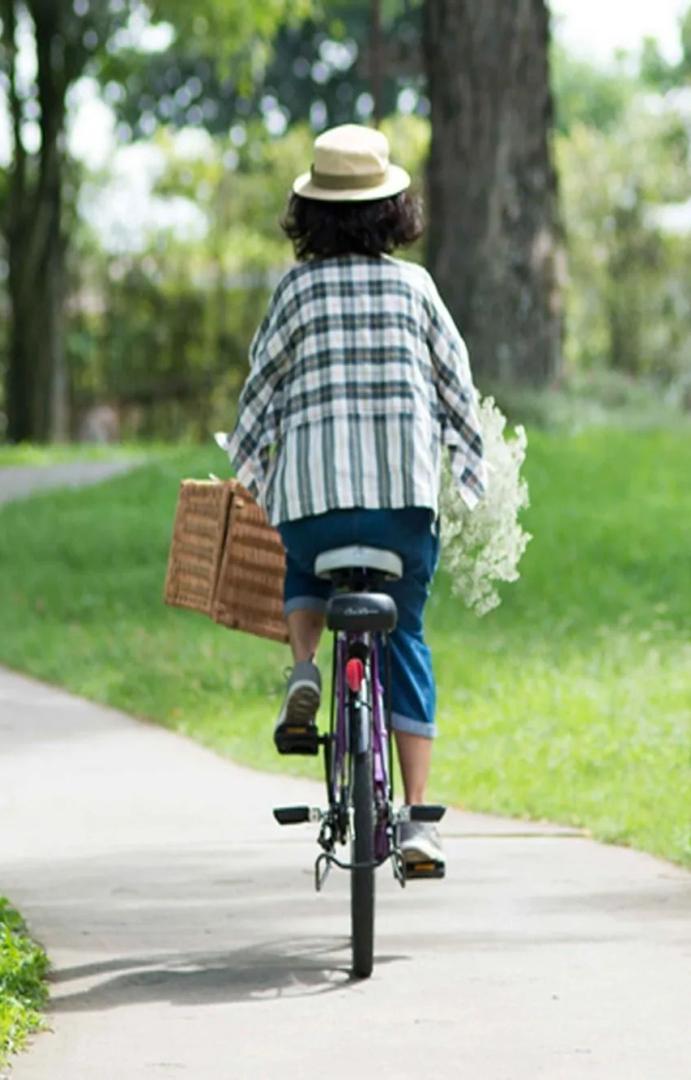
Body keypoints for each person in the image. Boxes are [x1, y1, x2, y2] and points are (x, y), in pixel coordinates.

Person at [226, 124, 486, 875]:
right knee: (406, 634)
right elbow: (459, 398)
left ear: (312, 215)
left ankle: (305, 668)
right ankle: (418, 823)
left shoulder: (295, 291)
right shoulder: (417, 288)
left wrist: (252, 473)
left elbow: (257, 404)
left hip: (315, 513)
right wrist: (469, 478)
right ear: (391, 211)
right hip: (404, 511)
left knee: (303, 568)